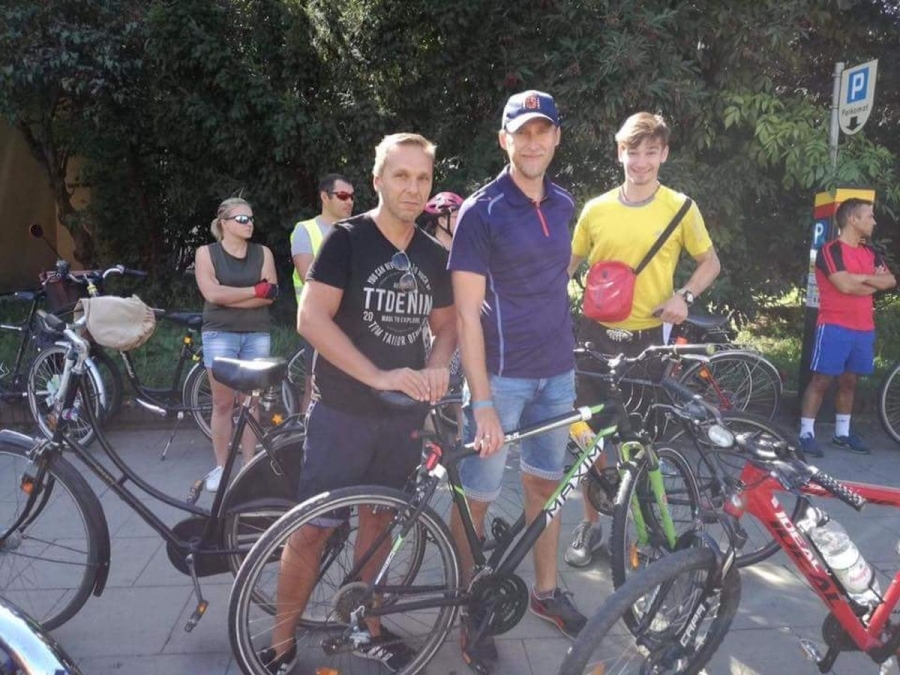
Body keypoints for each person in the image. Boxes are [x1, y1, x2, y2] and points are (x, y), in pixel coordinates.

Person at [260, 133, 456, 674]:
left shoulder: (433, 254)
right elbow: (310, 319)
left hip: (402, 417)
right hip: (342, 411)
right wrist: (377, 375)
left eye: (422, 178)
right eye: (401, 176)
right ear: (378, 180)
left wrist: (437, 366)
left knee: (381, 524)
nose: (413, 188)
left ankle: (369, 629)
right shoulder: (347, 240)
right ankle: (280, 645)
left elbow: (446, 326)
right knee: (313, 529)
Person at [448, 90, 583, 673]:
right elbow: (465, 314)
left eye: (542, 131)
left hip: (558, 373)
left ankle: (546, 592)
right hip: (500, 378)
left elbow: (555, 278)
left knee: (545, 488)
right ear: (504, 140)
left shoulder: (564, 204)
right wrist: (481, 401)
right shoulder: (481, 211)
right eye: (521, 132)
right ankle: (469, 606)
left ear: (555, 138)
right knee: (476, 498)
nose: (532, 143)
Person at [565, 111, 720, 567]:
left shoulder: (681, 207)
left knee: (642, 441)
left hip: (648, 340)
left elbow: (710, 262)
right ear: (620, 153)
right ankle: (591, 524)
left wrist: (684, 296)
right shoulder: (595, 210)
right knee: (590, 439)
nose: (641, 161)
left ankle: (643, 532)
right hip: (594, 337)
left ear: (664, 154)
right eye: (633, 152)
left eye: (651, 152)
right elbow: (566, 267)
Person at [798, 198, 895, 457]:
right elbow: (844, 285)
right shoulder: (830, 251)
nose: (874, 221)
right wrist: (870, 284)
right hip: (834, 326)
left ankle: (842, 434)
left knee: (850, 381)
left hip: (863, 328)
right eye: (870, 216)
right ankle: (805, 433)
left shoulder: (870, 253)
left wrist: (860, 279)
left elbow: (889, 281)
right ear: (853, 219)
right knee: (821, 380)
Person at [194, 197, 278, 492]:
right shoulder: (206, 253)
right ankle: (221, 467)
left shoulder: (263, 252)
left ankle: (248, 465)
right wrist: (254, 290)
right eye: (242, 219)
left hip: (256, 333)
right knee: (223, 403)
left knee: (250, 402)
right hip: (220, 334)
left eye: (251, 218)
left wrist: (231, 296)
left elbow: (270, 295)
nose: (249, 223)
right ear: (224, 224)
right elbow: (212, 294)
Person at [289, 173, 355, 412]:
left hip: (352, 322)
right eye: (343, 196)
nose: (349, 201)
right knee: (314, 385)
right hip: (319, 322)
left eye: (352, 196)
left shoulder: (355, 231)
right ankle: (306, 433)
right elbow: (308, 275)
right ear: (324, 197)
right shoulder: (305, 230)